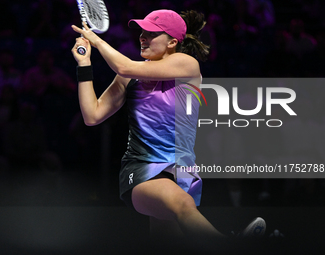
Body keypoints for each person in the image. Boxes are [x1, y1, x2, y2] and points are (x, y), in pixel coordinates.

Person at [71, 9, 265, 248]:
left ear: (173, 41)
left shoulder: (186, 65)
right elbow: (92, 115)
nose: (142, 37)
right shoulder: (128, 77)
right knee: (182, 206)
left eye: (151, 33)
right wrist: (84, 64)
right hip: (143, 168)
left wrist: (98, 40)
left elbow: (124, 66)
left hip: (182, 171)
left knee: (169, 244)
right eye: (142, 32)